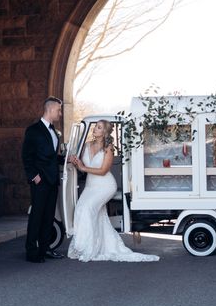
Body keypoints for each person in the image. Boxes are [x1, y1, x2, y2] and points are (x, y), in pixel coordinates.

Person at [67, 120, 159, 262]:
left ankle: (88, 248)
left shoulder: (108, 148)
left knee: (87, 209)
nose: (95, 129)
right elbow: (80, 162)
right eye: (95, 126)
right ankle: (94, 245)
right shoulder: (86, 145)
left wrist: (83, 168)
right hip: (90, 186)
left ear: (104, 132)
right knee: (82, 209)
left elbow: (103, 171)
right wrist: (75, 160)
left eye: (98, 127)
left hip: (105, 186)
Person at [22, 96, 65, 263]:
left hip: (53, 181)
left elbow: (53, 157)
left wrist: (67, 159)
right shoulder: (33, 130)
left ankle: (45, 249)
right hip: (40, 182)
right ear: (51, 109)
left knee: (48, 217)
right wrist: (34, 176)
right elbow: (26, 156)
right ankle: (31, 252)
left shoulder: (54, 131)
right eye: (59, 110)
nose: (60, 113)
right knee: (36, 217)